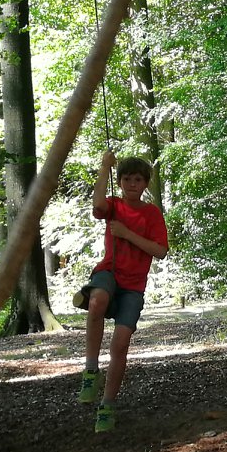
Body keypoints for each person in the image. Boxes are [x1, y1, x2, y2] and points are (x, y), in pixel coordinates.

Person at [76, 151, 169, 433]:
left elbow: (161, 251)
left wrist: (128, 235)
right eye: (126, 179)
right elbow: (96, 205)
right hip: (109, 272)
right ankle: (91, 370)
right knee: (97, 300)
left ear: (145, 184)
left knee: (120, 344)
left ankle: (107, 405)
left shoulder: (151, 213)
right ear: (120, 182)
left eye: (137, 179)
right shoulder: (113, 206)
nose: (132, 184)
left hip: (133, 286)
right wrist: (104, 167)